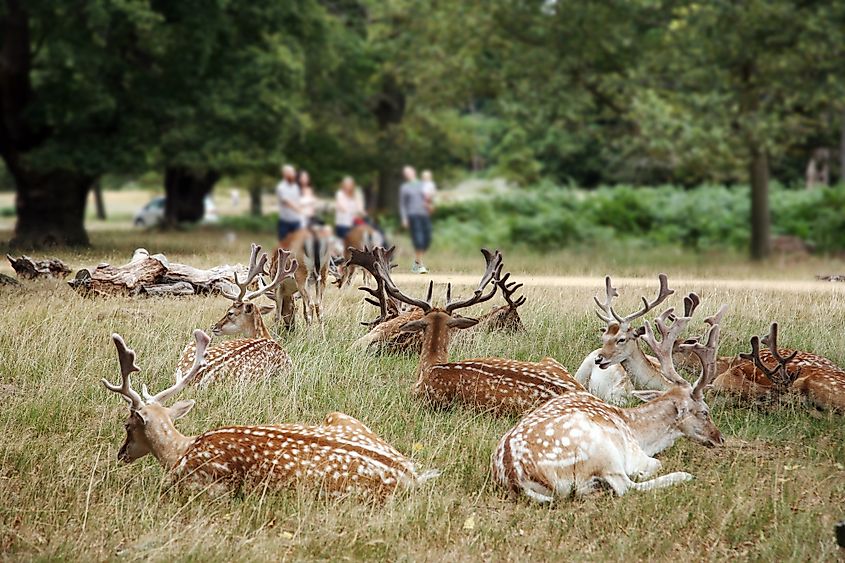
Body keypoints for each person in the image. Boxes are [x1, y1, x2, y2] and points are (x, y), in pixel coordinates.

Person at [399, 165, 432, 273]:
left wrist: (429, 205)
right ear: (405, 176)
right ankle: (420, 264)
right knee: (418, 238)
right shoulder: (405, 188)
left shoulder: (423, 184)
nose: (408, 174)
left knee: (427, 238)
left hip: (424, 214)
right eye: (406, 173)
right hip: (412, 214)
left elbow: (428, 198)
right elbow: (402, 204)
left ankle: (416, 262)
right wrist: (404, 218)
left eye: (410, 172)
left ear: (414, 172)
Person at [276, 164, 302, 243]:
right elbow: (286, 201)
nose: (293, 174)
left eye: (293, 173)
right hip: (285, 222)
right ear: (285, 174)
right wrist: (297, 208)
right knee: (284, 245)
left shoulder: (296, 187)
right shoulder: (281, 187)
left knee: (296, 245)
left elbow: (298, 200)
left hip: (296, 221)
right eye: (291, 173)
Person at [334, 176, 366, 240]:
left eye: (350, 184)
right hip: (343, 223)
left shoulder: (356, 194)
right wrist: (356, 212)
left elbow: (360, 208)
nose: (348, 186)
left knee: (370, 231)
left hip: (354, 222)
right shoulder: (340, 194)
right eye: (346, 184)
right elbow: (343, 208)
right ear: (343, 185)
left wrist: (361, 212)